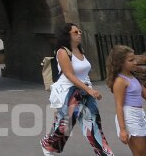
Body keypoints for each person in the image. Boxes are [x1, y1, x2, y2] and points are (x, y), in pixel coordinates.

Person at [41, 23, 114, 155]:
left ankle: (105, 153)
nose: (79, 33)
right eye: (75, 32)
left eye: (79, 31)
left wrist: (89, 89)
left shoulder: (80, 50)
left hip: (85, 91)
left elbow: (84, 73)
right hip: (70, 92)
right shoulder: (62, 51)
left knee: (93, 123)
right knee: (65, 124)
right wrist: (89, 89)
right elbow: (69, 75)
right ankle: (48, 144)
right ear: (67, 35)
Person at [107, 45, 146, 155]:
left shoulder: (133, 77)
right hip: (130, 117)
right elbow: (119, 106)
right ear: (120, 63)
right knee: (140, 153)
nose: (135, 62)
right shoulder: (120, 81)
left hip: (140, 114)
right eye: (131, 60)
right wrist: (123, 129)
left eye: (134, 59)